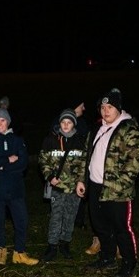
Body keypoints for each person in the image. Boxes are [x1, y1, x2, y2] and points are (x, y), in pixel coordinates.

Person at [74, 88, 139, 277]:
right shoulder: (98, 128)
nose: (105, 111)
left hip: (117, 190)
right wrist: (82, 179)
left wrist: (120, 184)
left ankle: (129, 263)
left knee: (122, 228)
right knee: (100, 225)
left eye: (110, 107)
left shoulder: (128, 128)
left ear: (118, 108)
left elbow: (136, 159)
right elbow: (86, 155)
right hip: (95, 186)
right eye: (103, 107)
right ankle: (107, 257)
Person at [0, 108, 38, 265]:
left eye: (3, 120)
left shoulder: (17, 140)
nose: (0, 124)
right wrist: (8, 159)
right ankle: (1, 250)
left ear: (8, 121)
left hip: (15, 188)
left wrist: (0, 164)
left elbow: (23, 163)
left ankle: (19, 253)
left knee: (21, 220)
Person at [38, 108, 86, 261]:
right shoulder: (50, 139)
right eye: (63, 122)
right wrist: (49, 176)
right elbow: (43, 160)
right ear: (59, 123)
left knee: (70, 216)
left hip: (74, 188)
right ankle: (52, 246)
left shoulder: (80, 141)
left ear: (74, 124)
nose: (66, 125)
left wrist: (81, 181)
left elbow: (84, 164)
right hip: (57, 187)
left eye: (69, 122)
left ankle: (65, 244)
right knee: (56, 216)